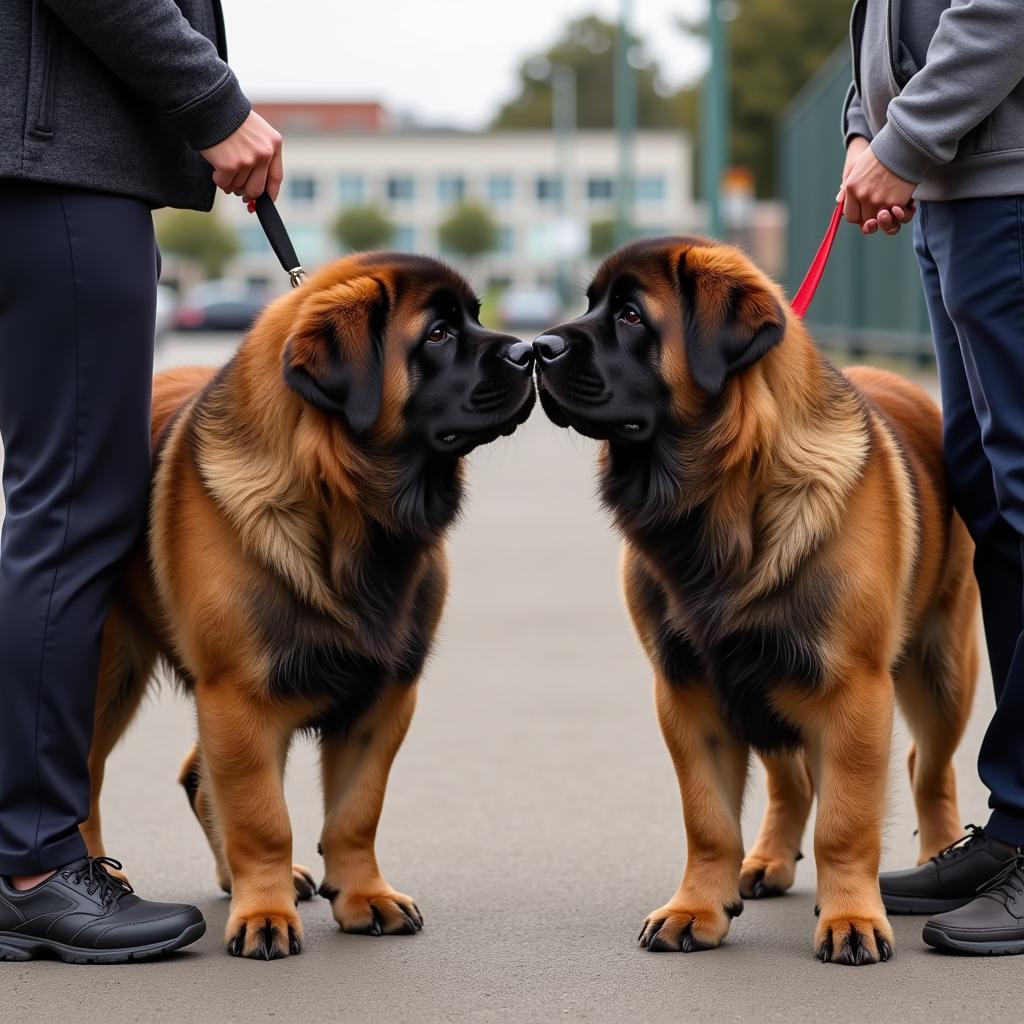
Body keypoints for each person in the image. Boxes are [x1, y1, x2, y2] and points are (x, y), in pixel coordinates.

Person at [0, 0, 283, 963]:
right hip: (53, 168)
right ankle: (32, 868)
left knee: (52, 504)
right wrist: (212, 102)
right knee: (73, 507)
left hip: (37, 156)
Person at [840, 0, 1024, 955]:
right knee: (991, 497)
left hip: (1005, 183)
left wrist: (903, 137)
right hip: (958, 184)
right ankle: (1012, 828)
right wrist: (866, 127)